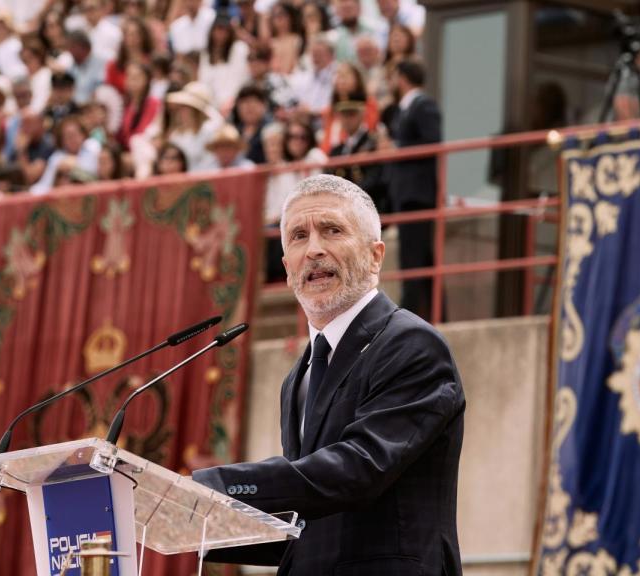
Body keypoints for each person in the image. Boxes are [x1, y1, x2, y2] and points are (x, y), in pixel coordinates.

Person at [192, 174, 465, 575]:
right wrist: (195, 526)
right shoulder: (298, 377)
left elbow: (358, 469)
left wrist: (213, 488)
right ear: (286, 267)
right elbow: (305, 518)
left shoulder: (412, 346)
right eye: (298, 236)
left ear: (375, 255)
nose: (314, 249)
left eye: (332, 230)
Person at [386, 59, 441, 321]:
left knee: (415, 258)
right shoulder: (405, 108)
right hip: (408, 193)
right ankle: (433, 313)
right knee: (422, 257)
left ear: (402, 78)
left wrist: (398, 149)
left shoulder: (423, 105)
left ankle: (410, 315)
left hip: (417, 193)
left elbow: (432, 140)